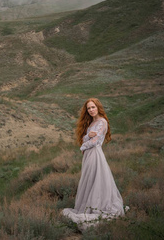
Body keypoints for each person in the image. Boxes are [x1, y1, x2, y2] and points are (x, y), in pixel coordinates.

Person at [62, 98, 125, 231]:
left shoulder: (102, 122)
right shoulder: (92, 123)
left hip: (95, 153)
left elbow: (95, 141)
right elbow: (86, 137)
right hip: (88, 155)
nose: (91, 110)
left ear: (98, 107)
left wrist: (83, 146)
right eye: (89, 108)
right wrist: (87, 138)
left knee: (97, 179)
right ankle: (88, 205)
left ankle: (98, 207)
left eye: (93, 107)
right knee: (89, 180)